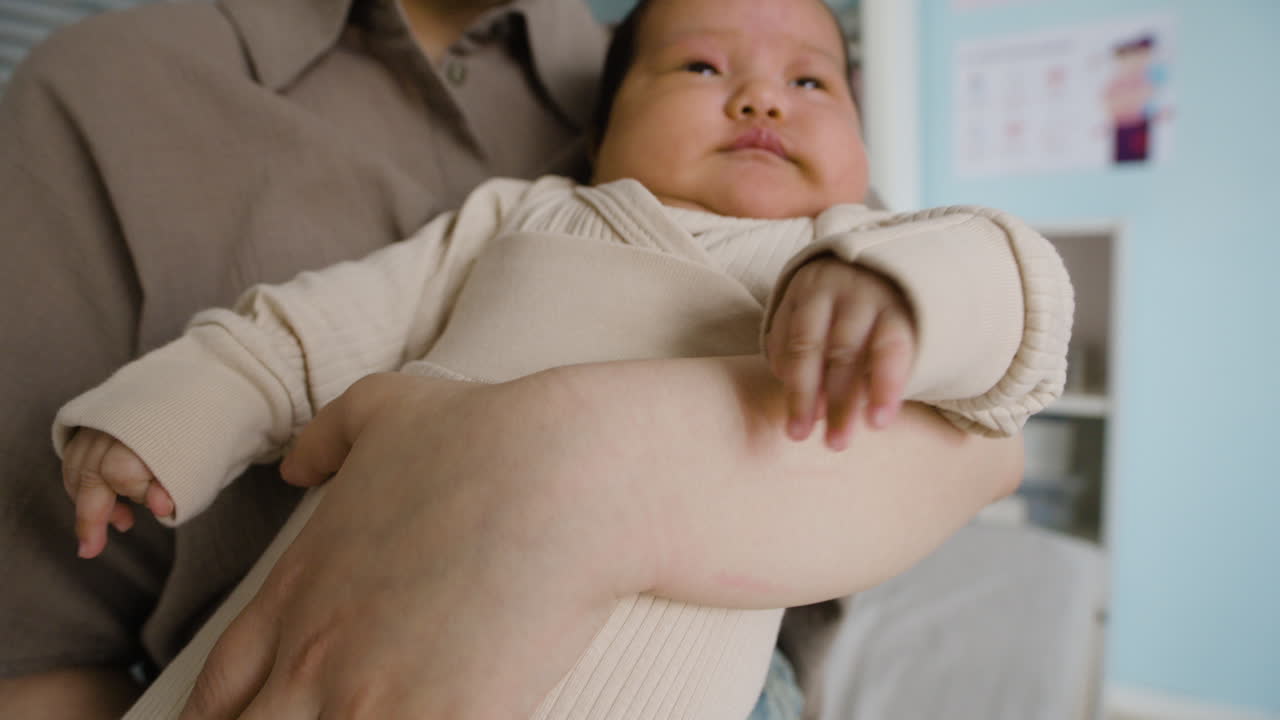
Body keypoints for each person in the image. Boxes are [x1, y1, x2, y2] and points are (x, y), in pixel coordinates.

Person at [0, 0, 1040, 718]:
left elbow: (1002, 297)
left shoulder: (849, 253)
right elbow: (314, 328)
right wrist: (176, 410)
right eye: (701, 68)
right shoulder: (524, 215)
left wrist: (907, 295)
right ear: (602, 130)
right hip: (301, 656)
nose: (761, 101)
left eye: (811, 81)